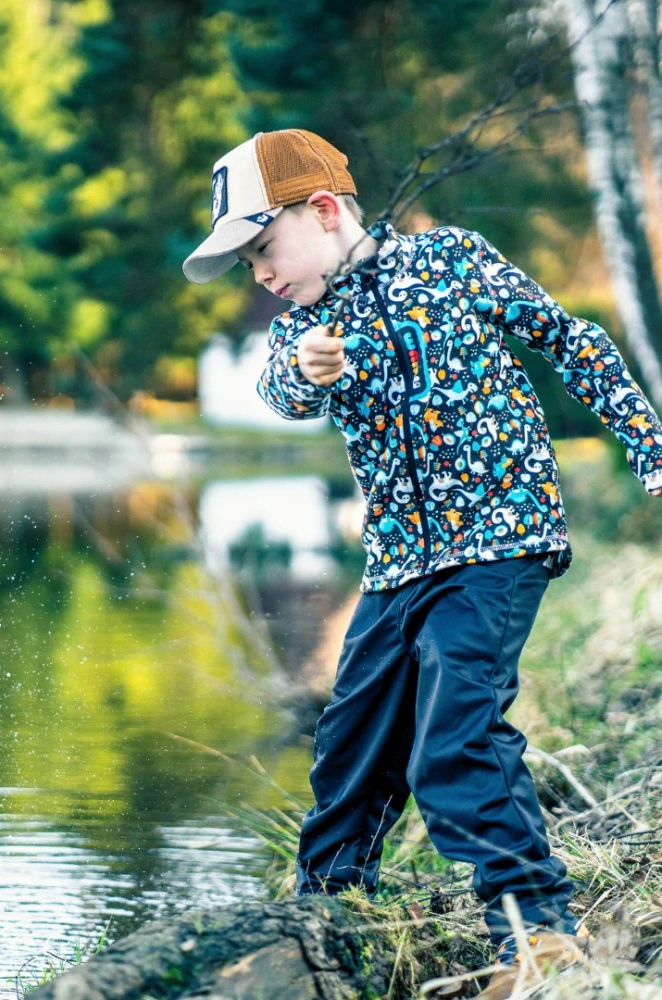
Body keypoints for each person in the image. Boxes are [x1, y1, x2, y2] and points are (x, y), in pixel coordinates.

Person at [182, 128, 662, 998]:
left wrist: (649, 444)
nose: (260, 273)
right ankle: (328, 916)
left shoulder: (454, 263)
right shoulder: (309, 327)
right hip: (400, 565)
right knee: (350, 747)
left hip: (499, 539)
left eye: (262, 248)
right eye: (247, 261)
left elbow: (572, 341)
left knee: (453, 740)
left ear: (323, 211)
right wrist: (313, 365)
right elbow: (282, 387)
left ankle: (537, 936)